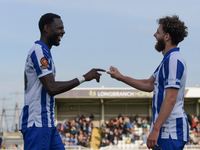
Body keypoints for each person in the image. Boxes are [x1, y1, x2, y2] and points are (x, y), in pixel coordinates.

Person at [19, 13, 105, 150]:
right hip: (37, 123)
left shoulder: (45, 52)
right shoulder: (38, 51)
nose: (63, 32)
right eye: (59, 28)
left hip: (47, 123)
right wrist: (83, 78)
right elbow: (51, 88)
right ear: (47, 28)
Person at [107, 15, 189, 150]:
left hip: (170, 132)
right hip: (165, 131)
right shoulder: (166, 61)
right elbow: (149, 84)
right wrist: (120, 76)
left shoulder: (174, 60)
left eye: (158, 32)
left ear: (167, 36)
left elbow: (171, 98)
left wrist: (155, 129)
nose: (154, 35)